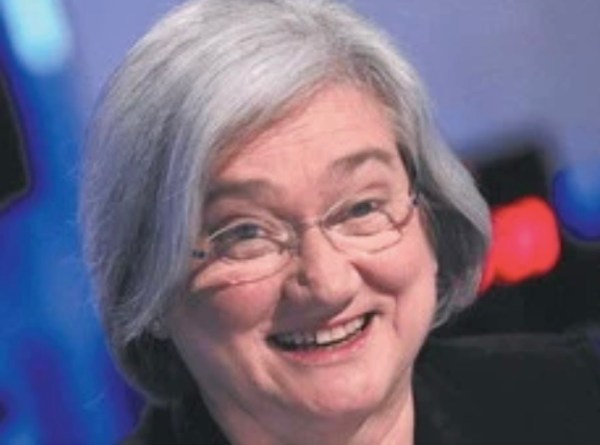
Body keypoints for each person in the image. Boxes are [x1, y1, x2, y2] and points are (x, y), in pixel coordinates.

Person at [80, 0, 600, 444]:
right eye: (244, 234)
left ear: (429, 215)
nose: (328, 284)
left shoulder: (578, 400)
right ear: (150, 286)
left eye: (361, 208)